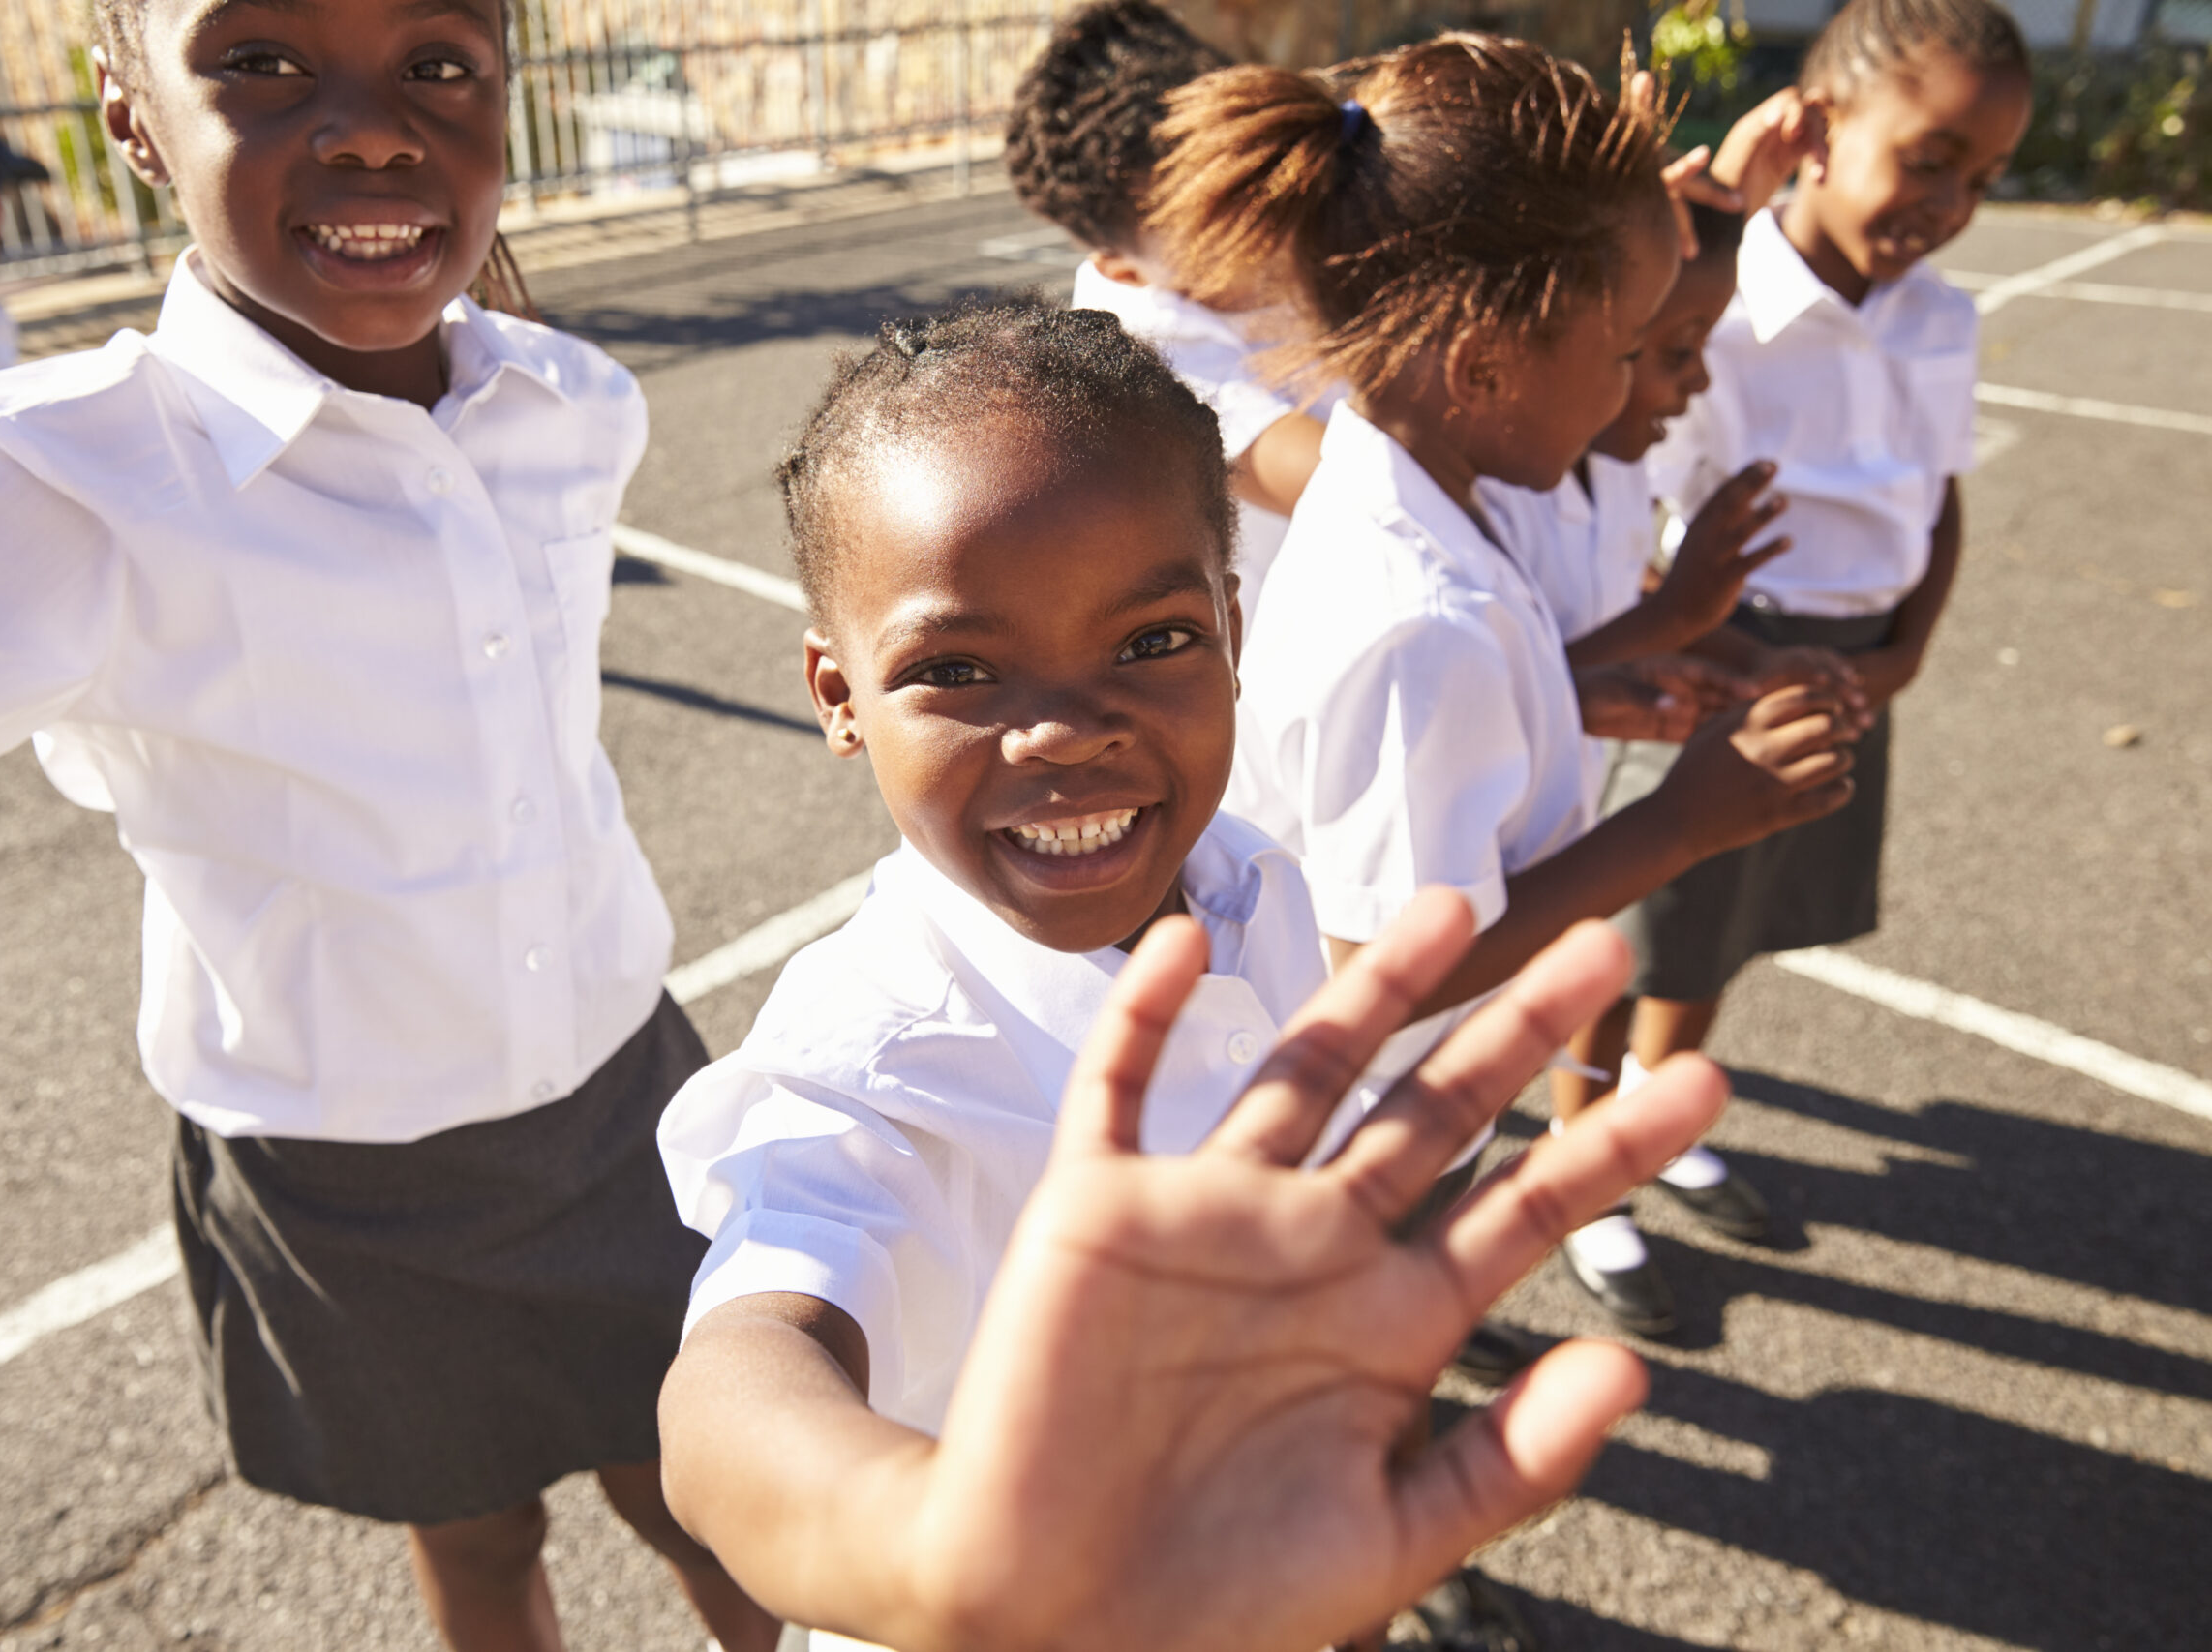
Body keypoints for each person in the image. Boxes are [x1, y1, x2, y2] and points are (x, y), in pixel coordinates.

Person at [0, 3, 776, 1648]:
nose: (371, 130)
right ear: (132, 114)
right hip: (342, 1181)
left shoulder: (572, 404)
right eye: (263, 60)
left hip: (629, 1093)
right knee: (483, 1540)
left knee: (724, 1502)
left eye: (437, 62)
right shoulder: (49, 483)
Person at [651, 297, 1733, 1652]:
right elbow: (740, 1381)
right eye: (957, 667)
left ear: (1231, 622)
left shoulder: (1249, 875)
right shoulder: (872, 1051)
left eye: (1151, 639)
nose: (1067, 730)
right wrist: (942, 1543)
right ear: (838, 694)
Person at [1145, 55, 1862, 1637]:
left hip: (1376, 1100)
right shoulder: (1420, 612)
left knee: (1374, 1339)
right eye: (1620, 348)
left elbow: (1463, 728)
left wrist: (1614, 667)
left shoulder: (1423, 499)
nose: (1638, 392)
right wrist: (1697, 816)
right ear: (1482, 357)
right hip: (1372, 1118)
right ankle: (1380, 1544)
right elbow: (1394, 979)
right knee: (1361, 1353)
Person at [1597, 0, 2036, 1247]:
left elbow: (1937, 494)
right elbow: (1629, 519)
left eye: (1984, 178)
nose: (1949, 204)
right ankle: (1583, 1175)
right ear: (1821, 128)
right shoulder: (1715, 306)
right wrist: (1721, 653)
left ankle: (1651, 1116)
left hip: (1853, 663)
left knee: (1734, 923)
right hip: (1707, 653)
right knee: (1638, 921)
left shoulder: (1940, 315)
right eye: (1930, 159)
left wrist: (1905, 653)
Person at [1476, 201, 1872, 1329]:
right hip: (1488, 891)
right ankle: (1574, 1186)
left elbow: (1607, 625)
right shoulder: (1498, 499)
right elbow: (1483, 674)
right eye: (1670, 354)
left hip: (1553, 830)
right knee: (1587, 980)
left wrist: (1735, 646)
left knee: (1651, 958)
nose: (1696, 387)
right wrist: (1682, 812)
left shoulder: (1606, 468)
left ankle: (1606, 1161)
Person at [1004, 1, 1327, 633]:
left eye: (1261, 178)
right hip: (1308, 679)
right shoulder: (1144, 354)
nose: (1268, 227)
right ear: (1124, 267)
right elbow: (1350, 484)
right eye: (1217, 229)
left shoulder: (1317, 195)